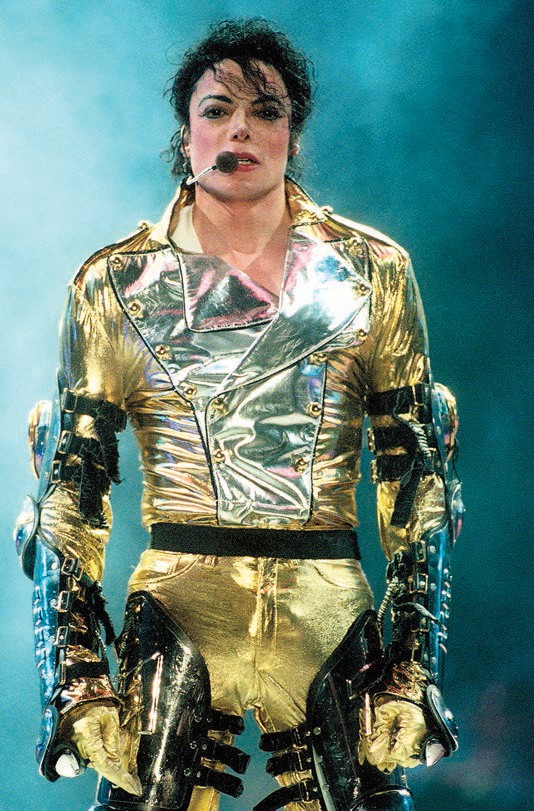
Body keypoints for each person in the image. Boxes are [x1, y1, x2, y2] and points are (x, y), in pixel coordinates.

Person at [15, 18, 464, 811]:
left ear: (294, 134)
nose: (240, 130)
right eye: (217, 110)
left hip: (327, 602)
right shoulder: (114, 283)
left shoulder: (371, 273)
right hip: (182, 598)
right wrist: (75, 676)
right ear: (185, 134)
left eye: (266, 110)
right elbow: (69, 489)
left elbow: (416, 474)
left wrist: (412, 667)